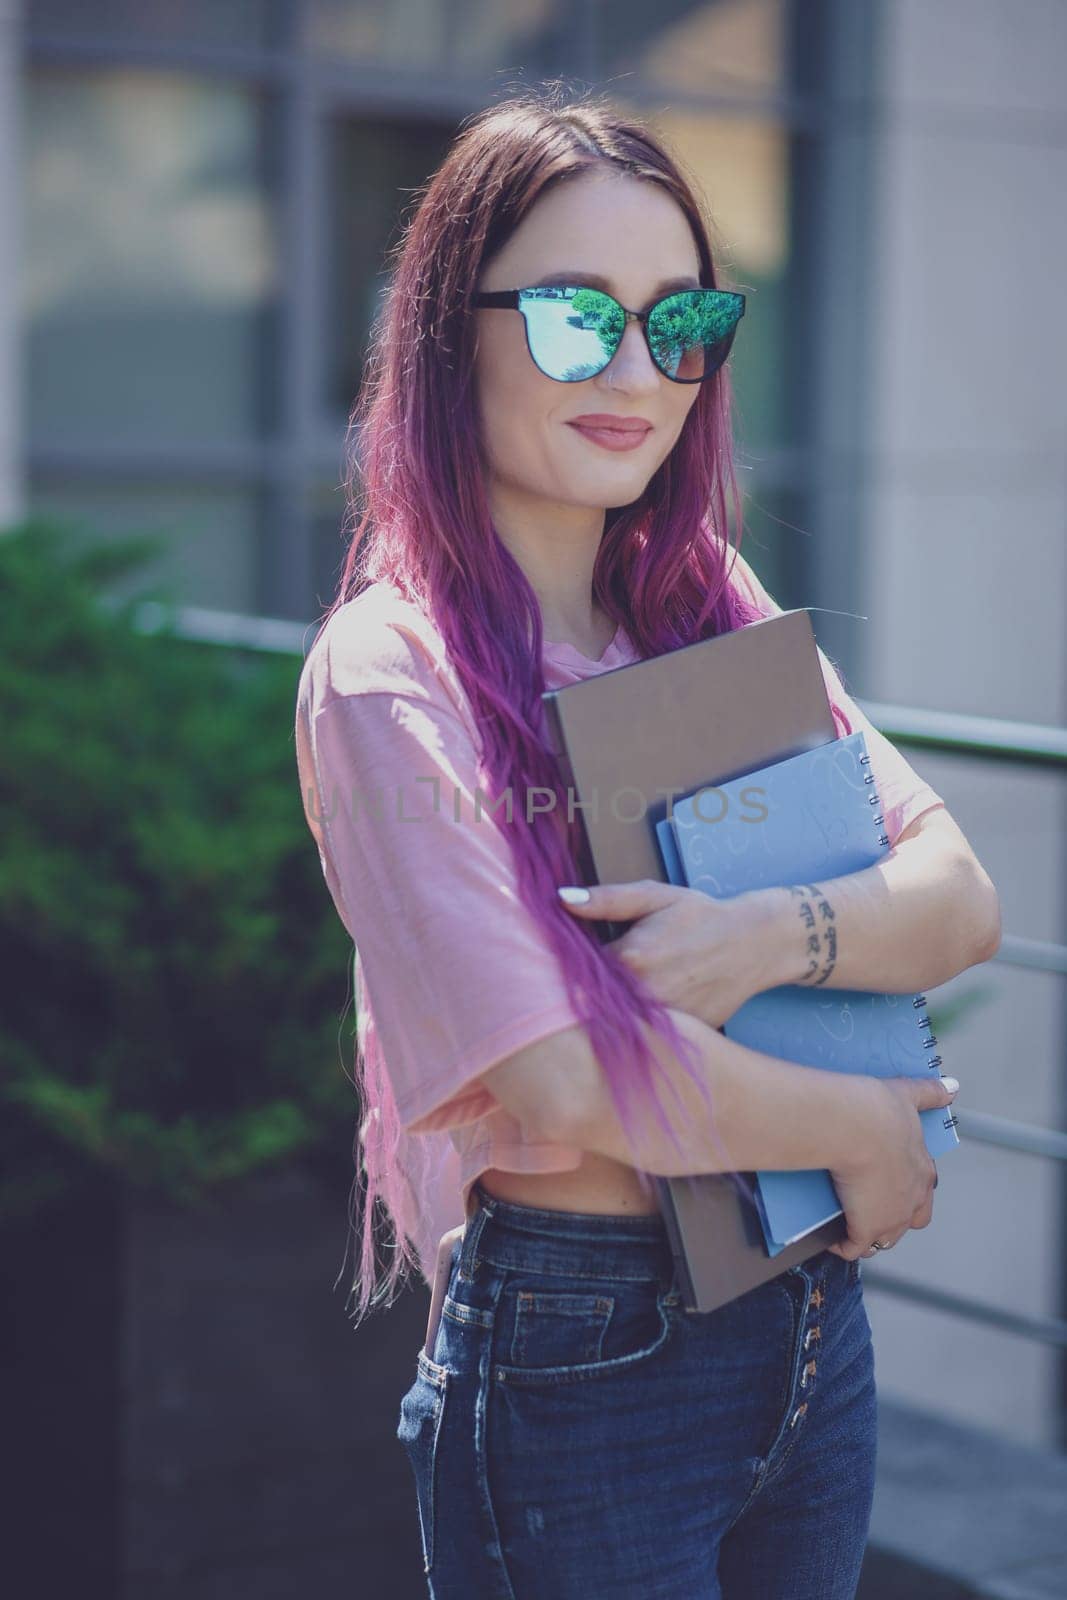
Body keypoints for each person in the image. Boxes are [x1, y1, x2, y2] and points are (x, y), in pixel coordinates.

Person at [294, 85, 1000, 1600]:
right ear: (447, 329)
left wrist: (763, 937)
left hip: (806, 1315)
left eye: (678, 324)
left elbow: (957, 891)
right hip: (583, 1351)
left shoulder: (705, 601)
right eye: (572, 318)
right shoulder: (388, 665)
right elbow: (551, 1073)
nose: (635, 369)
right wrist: (855, 1126)